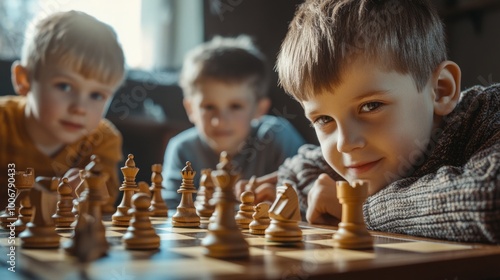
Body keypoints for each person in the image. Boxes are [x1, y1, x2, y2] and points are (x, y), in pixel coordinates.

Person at [260, 0, 500, 244]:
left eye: (370, 106)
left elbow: (491, 200)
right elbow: (298, 171)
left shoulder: (489, 115)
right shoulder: (363, 153)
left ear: (440, 90)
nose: (345, 143)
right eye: (324, 119)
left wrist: (358, 210)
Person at [0, 11, 126, 214]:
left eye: (96, 95)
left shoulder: (102, 139)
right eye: (65, 87)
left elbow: (105, 203)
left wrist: (91, 190)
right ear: (24, 80)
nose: (79, 108)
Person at [162, 35, 305, 207]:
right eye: (208, 107)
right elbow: (169, 209)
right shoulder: (182, 149)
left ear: (259, 109)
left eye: (235, 106)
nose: (219, 121)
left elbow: (306, 195)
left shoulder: (277, 136)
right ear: (190, 109)